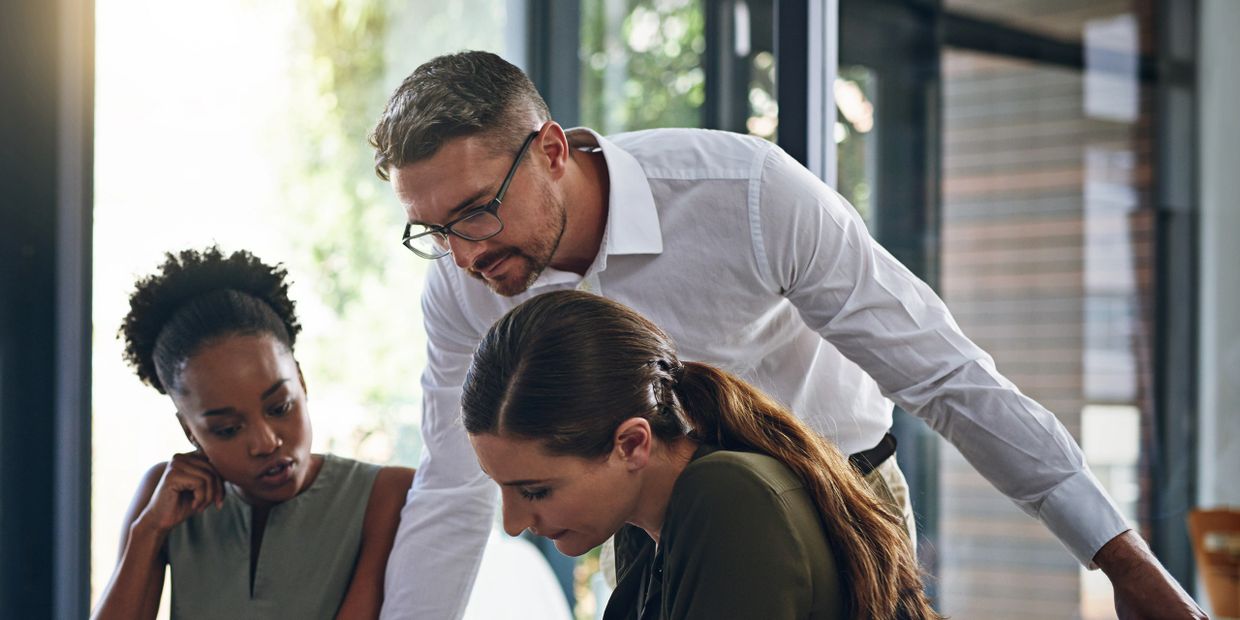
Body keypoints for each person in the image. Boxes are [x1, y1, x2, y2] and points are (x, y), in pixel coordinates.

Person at [369, 51, 1203, 618]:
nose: (464, 252)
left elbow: (944, 377)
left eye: (478, 209)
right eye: (433, 230)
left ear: (551, 149)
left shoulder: (746, 196)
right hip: (652, 522)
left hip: (838, 496)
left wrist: (1121, 560)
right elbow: (453, 487)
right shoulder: (463, 286)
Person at [462, 290, 938, 620]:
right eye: (502, 487)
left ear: (632, 444)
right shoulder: (646, 529)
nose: (513, 523)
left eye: (536, 490)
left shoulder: (728, 496)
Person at [92, 247, 415, 620]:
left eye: (279, 407)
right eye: (227, 429)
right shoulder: (164, 497)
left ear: (302, 381)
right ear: (190, 431)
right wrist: (147, 532)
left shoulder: (387, 494)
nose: (266, 442)